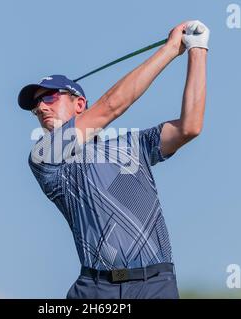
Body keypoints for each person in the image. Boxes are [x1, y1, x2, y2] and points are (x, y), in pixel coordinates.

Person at [17, 20, 209, 299]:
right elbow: (110, 107)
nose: (41, 107)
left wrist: (197, 49)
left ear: (79, 104)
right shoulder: (44, 158)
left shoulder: (133, 144)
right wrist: (169, 50)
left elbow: (189, 127)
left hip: (154, 283)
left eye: (49, 97)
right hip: (95, 288)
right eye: (36, 106)